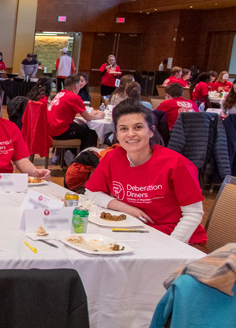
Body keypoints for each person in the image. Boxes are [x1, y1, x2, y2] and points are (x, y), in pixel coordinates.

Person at [85, 100, 207, 245]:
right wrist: (126, 208)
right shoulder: (112, 158)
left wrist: (171, 246)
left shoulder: (177, 164)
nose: (131, 134)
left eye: (138, 127)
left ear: (151, 131)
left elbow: (193, 214)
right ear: (117, 134)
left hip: (179, 240)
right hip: (133, 234)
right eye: (123, 129)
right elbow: (91, 193)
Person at [47, 74, 105, 152]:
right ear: (75, 85)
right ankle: (84, 157)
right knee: (91, 131)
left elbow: (79, 114)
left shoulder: (60, 94)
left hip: (50, 129)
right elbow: (87, 117)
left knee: (81, 127)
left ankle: (72, 155)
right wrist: (100, 116)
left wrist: (90, 115)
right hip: (59, 131)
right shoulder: (74, 97)